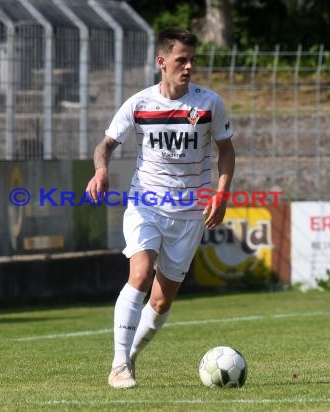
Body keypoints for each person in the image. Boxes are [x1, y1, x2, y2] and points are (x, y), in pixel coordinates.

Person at [85, 27, 235, 389]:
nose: (188, 67)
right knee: (139, 272)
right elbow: (104, 146)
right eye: (181, 60)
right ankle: (118, 364)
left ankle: (131, 357)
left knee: (163, 299)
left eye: (192, 61)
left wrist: (222, 193)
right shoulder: (139, 104)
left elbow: (226, 151)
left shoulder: (208, 103)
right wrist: (100, 170)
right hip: (146, 203)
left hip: (189, 212)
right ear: (161, 62)